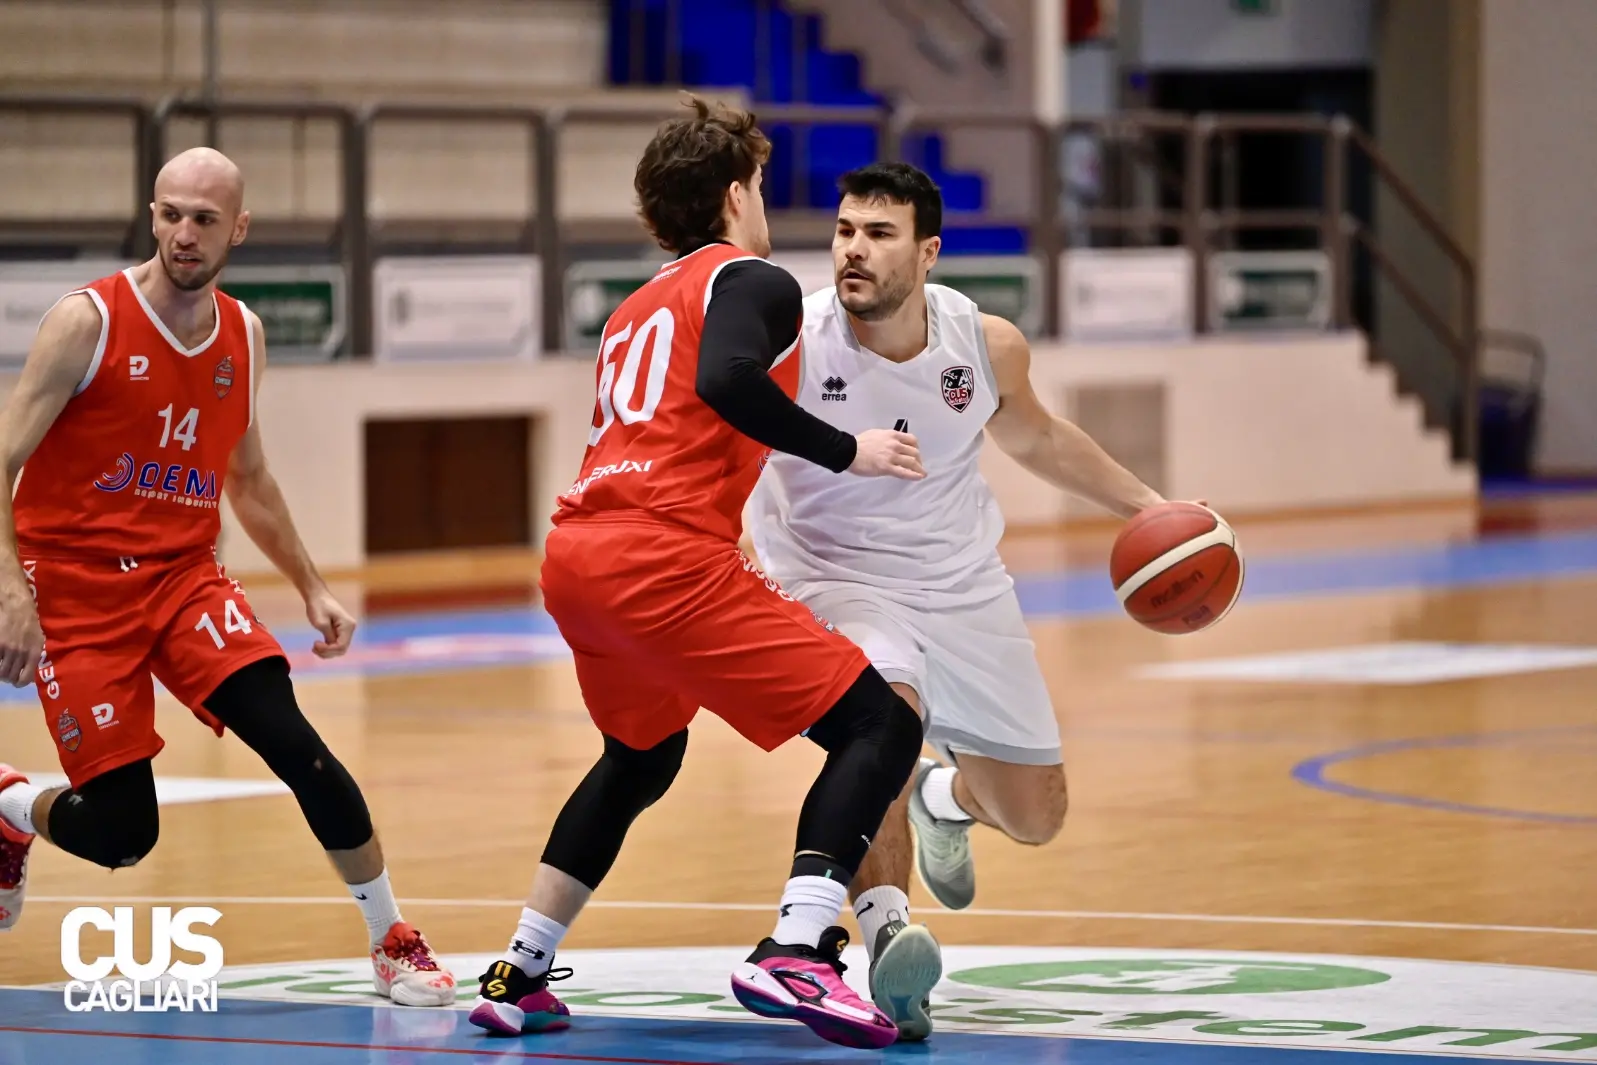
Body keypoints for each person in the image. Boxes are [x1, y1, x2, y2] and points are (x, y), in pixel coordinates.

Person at [466, 98, 927, 1050]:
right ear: (734, 193)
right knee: (879, 722)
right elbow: (725, 380)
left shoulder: (635, 306)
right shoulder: (749, 278)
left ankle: (519, 968)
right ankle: (797, 946)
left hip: (579, 554)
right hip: (660, 555)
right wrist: (847, 449)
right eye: (758, 183)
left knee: (640, 757)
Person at [0, 148, 456, 1008]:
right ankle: (13, 806)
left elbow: (247, 477)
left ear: (237, 229)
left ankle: (391, 937)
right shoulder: (87, 321)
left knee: (298, 747)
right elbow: (2, 458)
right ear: (152, 214)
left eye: (203, 219)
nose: (183, 233)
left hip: (182, 578)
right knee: (122, 835)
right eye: (170, 213)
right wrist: (12, 590)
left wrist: (312, 584)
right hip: (74, 586)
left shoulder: (242, 333)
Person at [746, 162, 1171, 1040]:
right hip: (832, 577)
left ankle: (943, 800)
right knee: (884, 721)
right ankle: (890, 945)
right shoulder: (792, 342)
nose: (853, 249)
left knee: (1035, 815)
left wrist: (1150, 508)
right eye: (844, 230)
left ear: (927, 251)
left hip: (961, 584)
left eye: (879, 233)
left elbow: (1039, 437)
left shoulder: (983, 345)